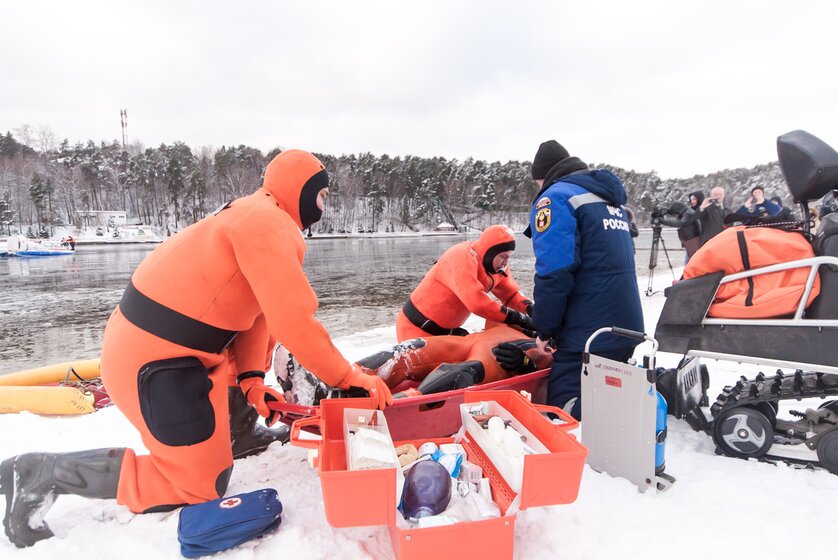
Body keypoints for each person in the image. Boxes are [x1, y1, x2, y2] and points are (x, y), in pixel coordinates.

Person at [0, 149, 394, 548]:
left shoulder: (255, 214)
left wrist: (253, 381)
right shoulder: (268, 225)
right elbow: (296, 324)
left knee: (239, 362)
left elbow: (257, 315)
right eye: (322, 196)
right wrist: (349, 376)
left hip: (178, 351)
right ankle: (42, 473)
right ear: (301, 190)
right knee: (197, 486)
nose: (323, 207)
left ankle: (237, 434)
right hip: (156, 362)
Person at [526, 140, 644, 419]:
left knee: (563, 410)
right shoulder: (607, 200)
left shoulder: (554, 198)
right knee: (612, 394)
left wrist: (544, 329)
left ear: (542, 177)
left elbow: (554, 273)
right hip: (626, 325)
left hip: (588, 332)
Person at [277, 324, 554, 404]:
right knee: (408, 351)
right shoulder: (527, 318)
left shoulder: (556, 340)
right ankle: (337, 386)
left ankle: (398, 404)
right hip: (471, 341)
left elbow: (553, 363)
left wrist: (528, 363)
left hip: (496, 359)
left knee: (464, 372)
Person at [395, 224, 535, 342]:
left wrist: (530, 308)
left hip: (448, 333)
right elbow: (477, 303)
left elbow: (510, 295)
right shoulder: (461, 257)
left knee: (500, 328)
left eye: (508, 257)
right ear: (490, 253)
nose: (505, 262)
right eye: (503, 257)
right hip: (416, 329)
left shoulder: (497, 266)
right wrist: (520, 319)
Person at [658, 191, 704, 261]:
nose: (675, 216)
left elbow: (680, 223)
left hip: (692, 240)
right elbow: (678, 215)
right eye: (691, 199)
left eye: (694, 199)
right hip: (690, 240)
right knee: (690, 260)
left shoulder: (688, 213)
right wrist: (667, 211)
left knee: (693, 260)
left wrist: (662, 221)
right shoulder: (687, 211)